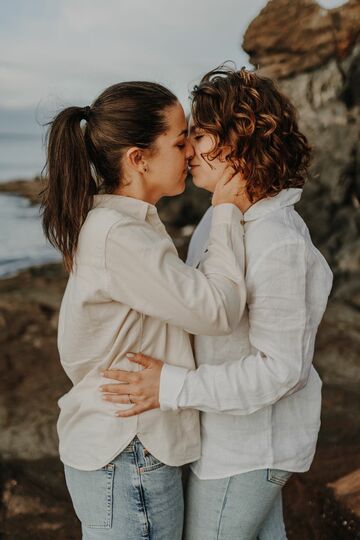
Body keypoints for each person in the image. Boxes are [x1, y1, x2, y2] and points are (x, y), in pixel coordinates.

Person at [100, 67, 333, 540]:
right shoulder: (220, 219)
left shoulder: (277, 240)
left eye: (200, 135)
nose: (187, 149)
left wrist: (172, 387)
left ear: (242, 140)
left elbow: (282, 370)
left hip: (250, 448)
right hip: (224, 437)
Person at [41, 80, 248, 540]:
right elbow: (217, 311)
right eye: (179, 141)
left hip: (127, 445)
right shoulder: (119, 235)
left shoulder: (124, 225)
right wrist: (227, 213)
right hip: (130, 448)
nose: (191, 151)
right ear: (138, 159)